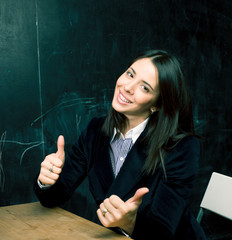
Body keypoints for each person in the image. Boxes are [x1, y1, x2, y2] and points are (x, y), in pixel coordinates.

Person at [34, 50, 206, 239]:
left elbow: (163, 232)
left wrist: (130, 224)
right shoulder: (94, 131)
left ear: (156, 105)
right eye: (130, 74)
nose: (127, 87)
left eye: (145, 88)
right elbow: (54, 198)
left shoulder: (181, 147)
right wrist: (46, 181)